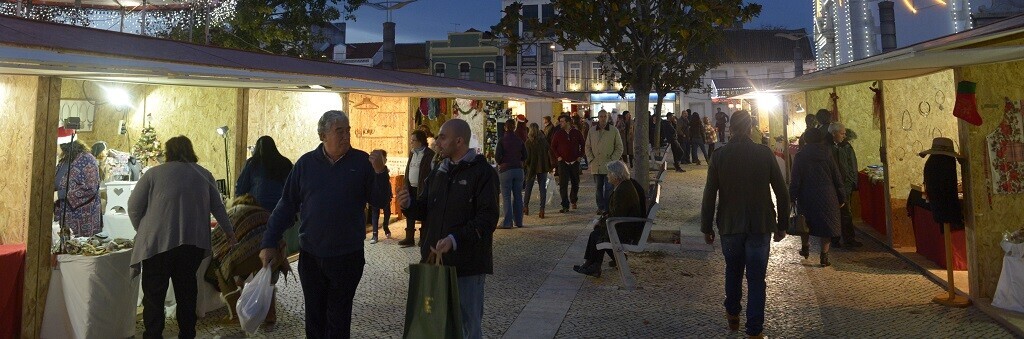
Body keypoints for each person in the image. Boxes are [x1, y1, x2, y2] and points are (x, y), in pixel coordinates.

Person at [258, 110, 391, 338]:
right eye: (340, 131)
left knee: (339, 318)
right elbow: (287, 204)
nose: (346, 136)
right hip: (311, 256)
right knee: (314, 317)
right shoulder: (305, 164)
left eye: (348, 131)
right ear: (323, 135)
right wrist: (269, 241)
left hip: (347, 256)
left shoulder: (362, 162)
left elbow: (380, 201)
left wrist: (380, 172)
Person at [397, 119, 499, 339]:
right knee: (436, 326)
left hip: (467, 266)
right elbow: (425, 209)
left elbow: (487, 219)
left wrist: (454, 239)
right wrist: (409, 205)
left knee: (467, 326)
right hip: (436, 264)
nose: (437, 142)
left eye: (443, 137)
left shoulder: (482, 173)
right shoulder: (439, 171)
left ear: (459, 141)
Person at [128, 136, 237, 339]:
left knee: (154, 295)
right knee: (187, 293)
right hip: (191, 244)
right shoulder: (204, 175)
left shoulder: (153, 174)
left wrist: (143, 230)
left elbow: (133, 206)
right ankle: (187, 334)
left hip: (156, 244)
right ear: (190, 150)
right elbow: (218, 207)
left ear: (168, 152)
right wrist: (230, 232)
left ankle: (153, 335)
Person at [700, 110, 789, 338]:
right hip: (760, 224)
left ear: (730, 128)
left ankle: (732, 314)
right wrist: (782, 224)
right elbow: (782, 191)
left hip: (730, 225)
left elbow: (709, 195)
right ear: (750, 129)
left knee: (733, 271)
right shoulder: (764, 153)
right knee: (757, 278)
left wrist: (706, 227)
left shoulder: (719, 156)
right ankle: (754, 330)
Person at [206, 194, 289, 325]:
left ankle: (235, 315)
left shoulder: (234, 211)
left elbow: (214, 238)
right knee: (267, 278)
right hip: (278, 252)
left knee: (221, 268)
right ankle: (270, 314)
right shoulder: (262, 211)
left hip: (255, 251)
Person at [572, 160, 646, 277]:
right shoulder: (624, 185)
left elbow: (616, 215)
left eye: (609, 173)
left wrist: (600, 222)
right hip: (628, 225)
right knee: (597, 233)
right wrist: (602, 220)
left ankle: (593, 265)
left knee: (597, 234)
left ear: (616, 175)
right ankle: (591, 264)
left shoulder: (622, 191)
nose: (607, 176)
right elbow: (616, 212)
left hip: (627, 230)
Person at [790, 128, 845, 267]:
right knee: (826, 225)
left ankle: (805, 247)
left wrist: (791, 197)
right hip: (827, 194)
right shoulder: (828, 153)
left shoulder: (800, 155)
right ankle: (824, 256)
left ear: (806, 139)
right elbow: (836, 176)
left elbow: (795, 179)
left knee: (805, 222)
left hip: (806, 194)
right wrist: (842, 197)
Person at [55, 135, 102, 238]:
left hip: (82, 218)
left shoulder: (87, 159)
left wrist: (60, 194)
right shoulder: (64, 160)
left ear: (64, 145)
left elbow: (91, 187)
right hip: (64, 216)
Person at [236, 135, 294, 212]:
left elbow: (241, 188)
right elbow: (292, 189)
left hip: (257, 208)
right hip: (280, 209)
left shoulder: (252, 163)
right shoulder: (285, 163)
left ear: (257, 148)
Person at [828, 123, 862, 247]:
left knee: (847, 212)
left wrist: (853, 181)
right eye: (842, 133)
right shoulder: (826, 147)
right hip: (831, 186)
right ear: (834, 133)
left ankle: (849, 239)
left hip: (845, 185)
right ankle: (834, 239)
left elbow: (852, 164)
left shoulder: (846, 146)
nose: (844, 136)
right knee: (833, 212)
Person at [400, 130, 436, 247]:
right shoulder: (412, 153)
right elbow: (408, 169)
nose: (411, 142)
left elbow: (432, 172)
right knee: (410, 212)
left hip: (423, 188)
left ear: (420, 141)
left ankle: (423, 238)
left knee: (423, 212)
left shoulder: (429, 154)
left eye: (413, 140)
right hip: (411, 187)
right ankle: (409, 237)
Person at [585, 110, 624, 215]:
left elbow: (619, 147)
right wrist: (591, 159)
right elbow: (587, 146)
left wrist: (613, 159)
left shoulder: (613, 130)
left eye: (604, 116)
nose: (603, 118)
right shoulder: (592, 131)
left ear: (607, 117)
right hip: (596, 164)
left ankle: (607, 208)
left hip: (609, 165)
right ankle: (600, 207)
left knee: (609, 188)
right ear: (598, 117)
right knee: (598, 188)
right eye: (601, 116)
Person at [550, 115, 585, 213]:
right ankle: (565, 205)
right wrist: (558, 156)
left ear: (568, 122)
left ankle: (573, 199)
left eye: (562, 121)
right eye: (560, 121)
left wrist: (580, 156)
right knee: (563, 184)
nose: (560, 123)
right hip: (563, 162)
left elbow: (583, 144)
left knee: (575, 182)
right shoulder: (558, 133)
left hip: (574, 161)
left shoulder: (576, 133)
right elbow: (553, 146)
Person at [496, 119, 527, 229]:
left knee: (506, 197)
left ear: (505, 127)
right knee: (518, 196)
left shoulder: (502, 140)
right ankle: (519, 221)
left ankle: (507, 222)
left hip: (506, 170)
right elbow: (525, 155)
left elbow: (497, 156)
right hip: (518, 170)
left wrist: (502, 163)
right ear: (514, 127)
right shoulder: (519, 140)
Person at [523, 123, 551, 219]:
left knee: (528, 187)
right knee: (542, 188)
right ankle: (542, 210)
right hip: (542, 166)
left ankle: (526, 207)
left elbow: (527, 158)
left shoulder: (528, 142)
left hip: (531, 167)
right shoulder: (543, 141)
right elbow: (548, 151)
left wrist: (525, 164)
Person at [369, 150, 393, 243]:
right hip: (374, 194)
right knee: (375, 214)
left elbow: (387, 184)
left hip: (385, 194)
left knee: (387, 213)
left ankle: (385, 227)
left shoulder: (385, 170)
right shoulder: (371, 169)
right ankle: (375, 235)